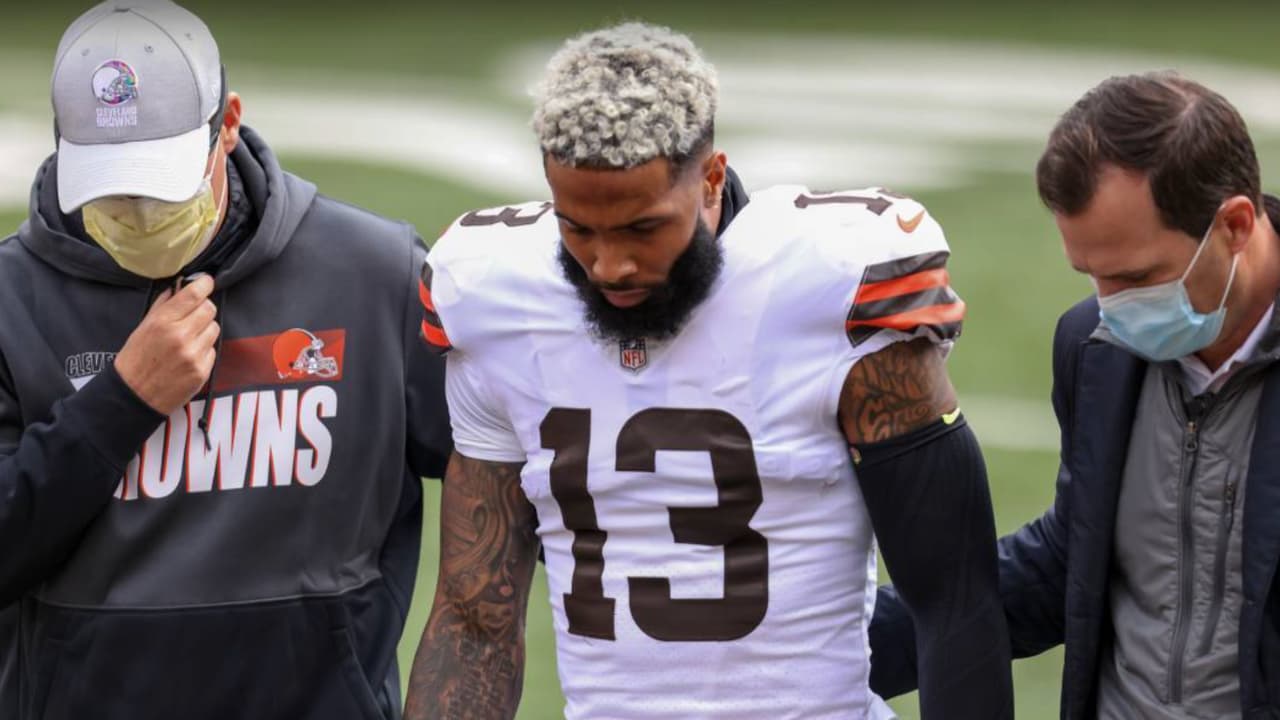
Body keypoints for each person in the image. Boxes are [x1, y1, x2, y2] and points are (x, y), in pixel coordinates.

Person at [403, 22, 1011, 720]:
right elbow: (475, 619)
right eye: (578, 228)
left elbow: (953, 598)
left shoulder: (831, 282)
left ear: (712, 179)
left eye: (642, 228)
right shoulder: (495, 293)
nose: (609, 266)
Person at [0, 2, 450, 718]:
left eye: (158, 182)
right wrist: (119, 403)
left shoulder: (374, 272)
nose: (137, 211)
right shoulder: (11, 299)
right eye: (111, 185)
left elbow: (506, 480)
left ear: (228, 123)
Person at [869, 71, 1280, 719]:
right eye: (1091, 275)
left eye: (1137, 277)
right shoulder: (1092, 347)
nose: (1111, 308)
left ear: (1233, 224)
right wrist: (834, 645)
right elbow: (1071, 563)